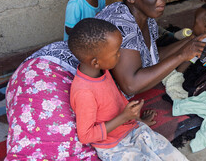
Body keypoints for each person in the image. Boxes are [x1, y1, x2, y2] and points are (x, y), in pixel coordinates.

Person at [68, 18, 188, 160]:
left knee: (172, 156)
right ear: (95, 62)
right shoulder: (84, 92)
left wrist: (136, 118)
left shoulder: (103, 72)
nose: (120, 55)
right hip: (114, 147)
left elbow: (115, 100)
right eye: (116, 52)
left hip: (131, 128)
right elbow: (86, 136)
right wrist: (124, 117)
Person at [96, 0, 206, 97]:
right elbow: (130, 86)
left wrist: (193, 39)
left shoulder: (147, 20)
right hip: (68, 81)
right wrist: (181, 56)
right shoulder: (121, 24)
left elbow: (151, 58)